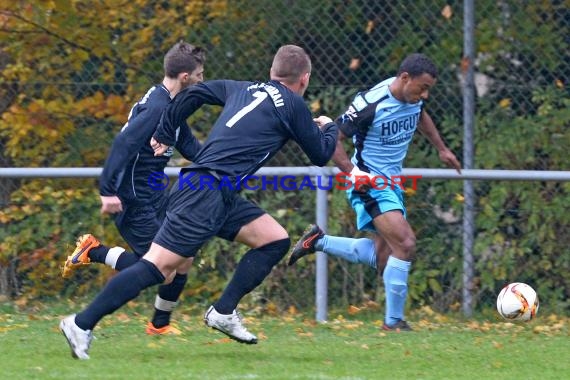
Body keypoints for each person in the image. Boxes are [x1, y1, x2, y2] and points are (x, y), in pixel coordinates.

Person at [59, 44, 339, 359]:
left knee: (275, 239)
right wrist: (330, 126)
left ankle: (222, 311)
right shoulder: (294, 105)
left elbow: (195, 94)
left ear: (272, 73)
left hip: (216, 190)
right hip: (204, 193)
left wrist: (166, 132)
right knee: (157, 268)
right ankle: (81, 324)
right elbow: (320, 155)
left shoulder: (244, 88)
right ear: (304, 79)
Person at [288, 53, 462, 331]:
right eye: (423, 87)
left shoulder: (412, 100)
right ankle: (393, 323)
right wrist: (353, 174)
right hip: (370, 184)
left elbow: (421, 117)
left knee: (384, 258)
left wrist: (441, 148)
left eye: (429, 89)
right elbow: (333, 138)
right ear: (405, 78)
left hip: (392, 184)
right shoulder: (370, 104)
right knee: (405, 243)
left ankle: (318, 241)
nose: (425, 95)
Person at [61, 41, 206, 336]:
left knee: (185, 254)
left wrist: (227, 159)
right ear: (185, 78)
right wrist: (108, 190)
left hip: (155, 194)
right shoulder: (156, 107)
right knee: (159, 268)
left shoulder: (172, 105)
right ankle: (95, 252)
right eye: (200, 75)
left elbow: (191, 146)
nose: (203, 81)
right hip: (134, 199)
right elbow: (124, 144)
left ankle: (159, 324)